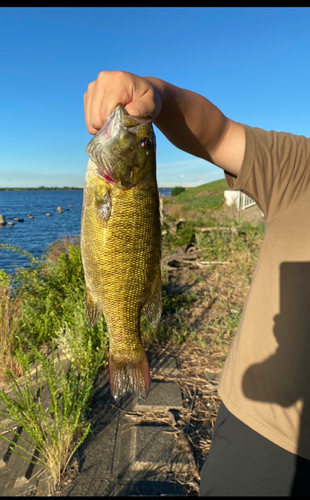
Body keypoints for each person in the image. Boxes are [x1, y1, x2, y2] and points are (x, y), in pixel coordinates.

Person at [84, 71, 310, 496]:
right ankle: (123, 345)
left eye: (144, 144)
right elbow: (218, 132)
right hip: (262, 433)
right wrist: (156, 94)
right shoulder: (302, 167)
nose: (140, 139)